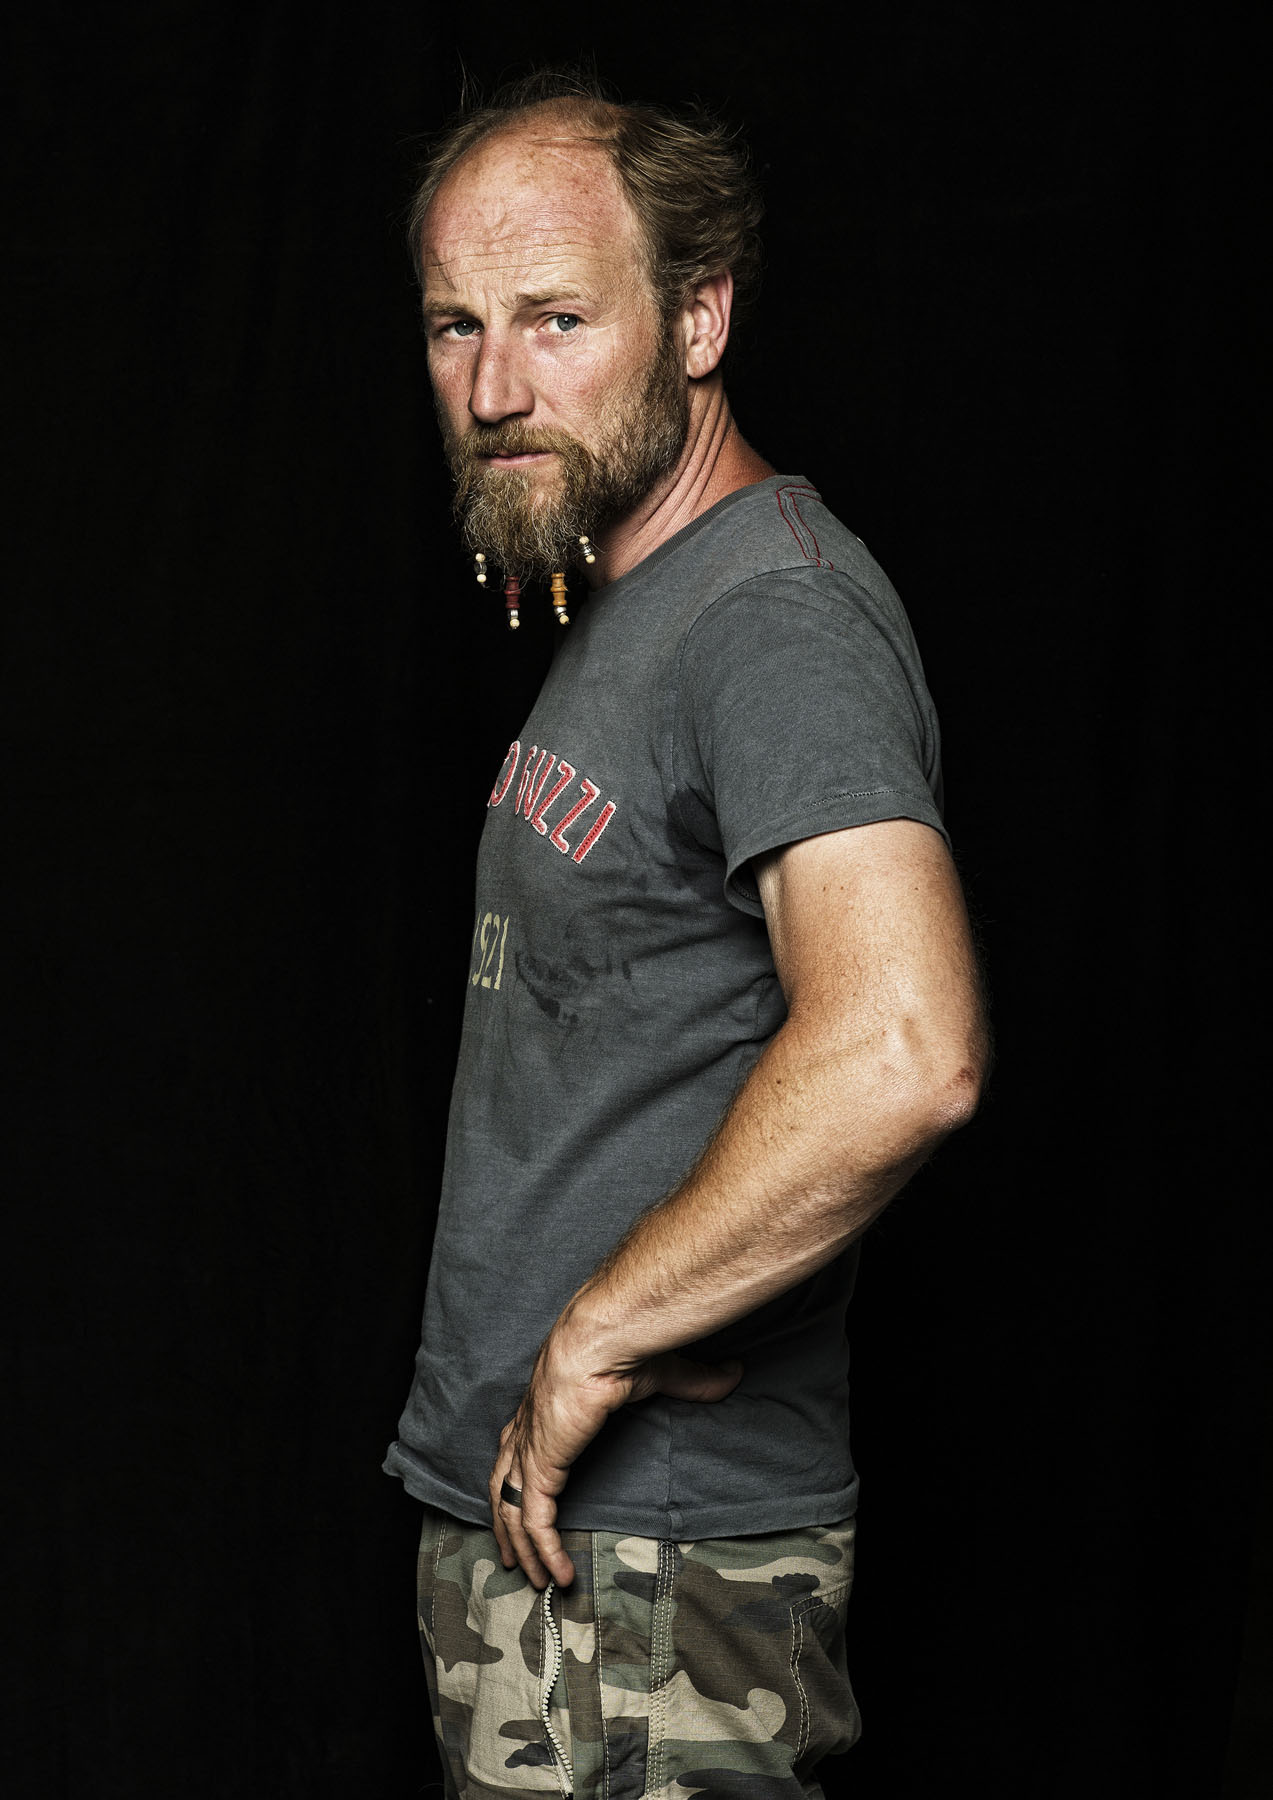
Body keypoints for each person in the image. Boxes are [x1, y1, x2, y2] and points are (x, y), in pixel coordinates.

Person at [385, 70, 988, 1800]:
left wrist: (597, 1337)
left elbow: (902, 1045)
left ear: (700, 319)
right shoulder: (641, 594)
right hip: (559, 1543)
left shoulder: (772, 616)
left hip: (653, 1570)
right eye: (455, 326)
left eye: (557, 319)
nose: (495, 389)